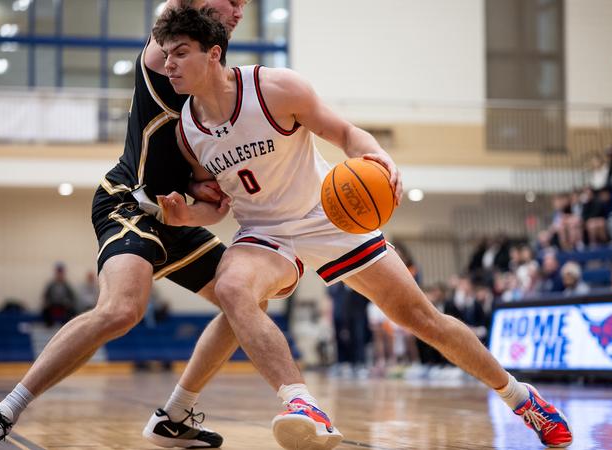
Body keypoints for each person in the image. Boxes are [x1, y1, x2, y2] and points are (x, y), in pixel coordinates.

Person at [157, 8, 573, 448]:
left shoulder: (275, 89)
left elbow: (346, 134)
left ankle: (522, 398)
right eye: (166, 55)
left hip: (326, 215)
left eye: (180, 53)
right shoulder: (187, 131)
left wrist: (380, 158)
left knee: (421, 318)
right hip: (264, 231)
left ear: (213, 54)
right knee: (233, 288)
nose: (169, 64)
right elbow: (217, 206)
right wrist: (188, 216)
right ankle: (302, 403)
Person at [0, 1, 253, 449]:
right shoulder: (166, 57)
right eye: (231, 1)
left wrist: (206, 188)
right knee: (121, 310)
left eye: (245, 4)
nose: (239, 11)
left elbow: (198, 165)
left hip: (174, 213)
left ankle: (173, 415)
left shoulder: (219, 82)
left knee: (246, 303)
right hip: (127, 202)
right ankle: (2, 413)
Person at [41, 263, 77, 327]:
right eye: (58, 273)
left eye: (61, 273)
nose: (59, 275)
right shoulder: (51, 284)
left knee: (71, 310)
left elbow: (72, 296)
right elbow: (45, 295)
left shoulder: (66, 284)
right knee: (45, 310)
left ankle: (66, 325)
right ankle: (49, 325)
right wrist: (46, 302)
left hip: (63, 304)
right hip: (53, 303)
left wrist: (69, 302)